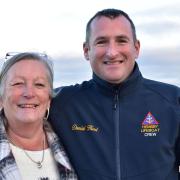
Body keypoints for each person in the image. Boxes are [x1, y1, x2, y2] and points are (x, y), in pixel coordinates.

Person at [49, 8, 180, 179]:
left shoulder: (173, 102)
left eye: (121, 41)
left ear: (136, 48)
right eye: (101, 42)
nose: (112, 52)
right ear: (86, 50)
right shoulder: (61, 104)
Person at [0, 52, 77, 179]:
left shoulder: (71, 145)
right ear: (1, 97)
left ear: (49, 99)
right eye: (18, 83)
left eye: (39, 84)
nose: (29, 93)